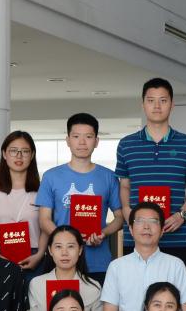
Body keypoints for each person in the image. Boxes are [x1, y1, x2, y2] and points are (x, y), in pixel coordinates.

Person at [116, 77, 186, 268]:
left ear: (172, 105)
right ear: (143, 104)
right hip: (136, 237)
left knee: (178, 286)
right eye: (151, 100)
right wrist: (127, 212)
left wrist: (182, 214)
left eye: (163, 100)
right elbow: (124, 185)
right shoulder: (126, 144)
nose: (157, 106)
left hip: (176, 237)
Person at [101, 203, 186, 311]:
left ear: (162, 230)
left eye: (153, 221)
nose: (146, 227)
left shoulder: (176, 265)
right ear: (131, 229)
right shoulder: (116, 267)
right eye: (140, 221)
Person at [37, 113, 123, 277]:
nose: (82, 142)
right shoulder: (51, 176)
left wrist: (103, 233)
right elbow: (44, 219)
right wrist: (67, 239)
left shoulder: (109, 177)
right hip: (61, 261)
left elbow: (120, 217)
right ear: (68, 140)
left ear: (96, 141)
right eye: (76, 136)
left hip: (97, 262)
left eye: (88, 137)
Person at [23, 226, 102, 311]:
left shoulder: (92, 287)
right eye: (58, 247)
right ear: (50, 250)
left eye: (70, 246)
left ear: (80, 250)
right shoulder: (37, 284)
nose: (64, 253)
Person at [0, 132, 43, 271]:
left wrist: (39, 255)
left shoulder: (42, 190)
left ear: (32, 155)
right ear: (4, 154)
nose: (19, 156)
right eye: (13, 151)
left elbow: (45, 227)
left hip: (33, 256)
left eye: (25, 151)